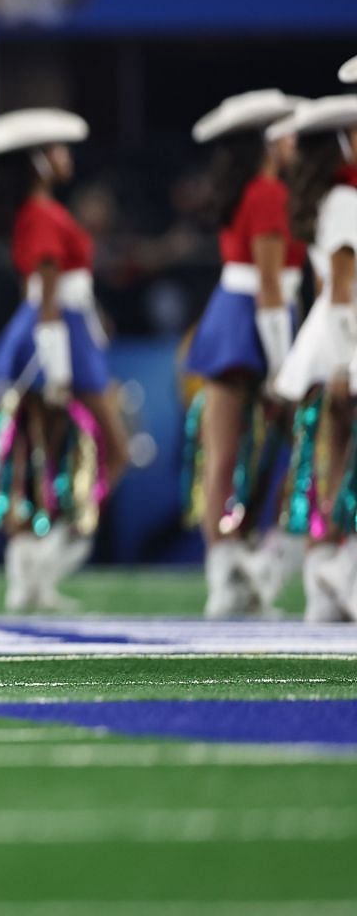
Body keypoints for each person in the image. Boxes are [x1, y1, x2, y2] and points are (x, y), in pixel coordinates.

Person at [0, 108, 125, 613]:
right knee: (102, 450)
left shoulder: (41, 212)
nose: (66, 158)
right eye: (58, 150)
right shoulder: (42, 214)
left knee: (43, 457)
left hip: (59, 333)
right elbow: (47, 299)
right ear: (38, 160)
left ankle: (37, 567)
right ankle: (45, 558)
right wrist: (58, 369)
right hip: (54, 340)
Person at [184, 90, 303, 617]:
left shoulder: (248, 191)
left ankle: (227, 569)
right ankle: (249, 563)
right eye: (286, 132)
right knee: (283, 445)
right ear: (269, 141)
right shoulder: (268, 193)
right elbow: (271, 288)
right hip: (258, 317)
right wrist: (283, 364)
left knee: (224, 455)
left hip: (234, 314)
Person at [268, 96, 357, 621]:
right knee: (341, 462)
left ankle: (324, 581)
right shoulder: (345, 198)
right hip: (342, 341)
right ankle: (335, 573)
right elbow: (343, 288)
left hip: (327, 336)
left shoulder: (330, 196)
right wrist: (345, 363)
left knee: (328, 459)